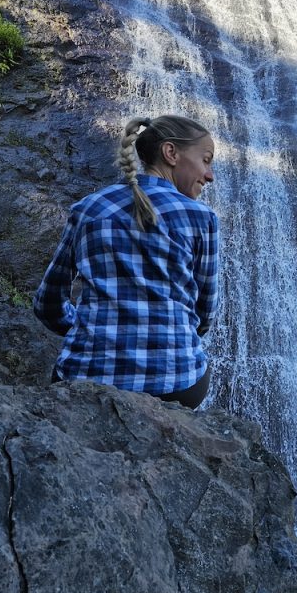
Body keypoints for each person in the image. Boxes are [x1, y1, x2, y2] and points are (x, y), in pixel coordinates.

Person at [33, 115, 218, 408]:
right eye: (206, 160)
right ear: (171, 153)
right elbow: (203, 312)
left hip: (87, 376)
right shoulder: (200, 217)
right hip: (177, 383)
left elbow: (47, 303)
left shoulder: (88, 209)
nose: (209, 175)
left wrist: (86, 325)